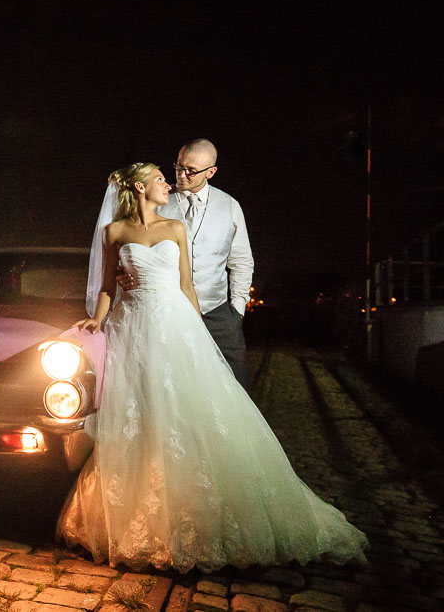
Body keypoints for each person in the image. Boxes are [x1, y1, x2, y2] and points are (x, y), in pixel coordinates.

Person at [60, 162, 367, 573]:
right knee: (140, 415)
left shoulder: (175, 229)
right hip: (131, 328)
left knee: (189, 413)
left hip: (174, 326)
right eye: (159, 178)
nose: (167, 183)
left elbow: (186, 285)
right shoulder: (114, 232)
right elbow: (106, 287)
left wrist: (200, 334)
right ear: (139, 187)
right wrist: (97, 320)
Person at [118, 139, 253, 389]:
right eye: (178, 166)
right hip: (167, 313)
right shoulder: (157, 204)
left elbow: (242, 261)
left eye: (190, 170)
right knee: (175, 386)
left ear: (211, 172)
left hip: (218, 314)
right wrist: (123, 274)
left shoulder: (230, 206)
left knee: (235, 385)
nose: (181, 174)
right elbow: (129, 247)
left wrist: (237, 309)